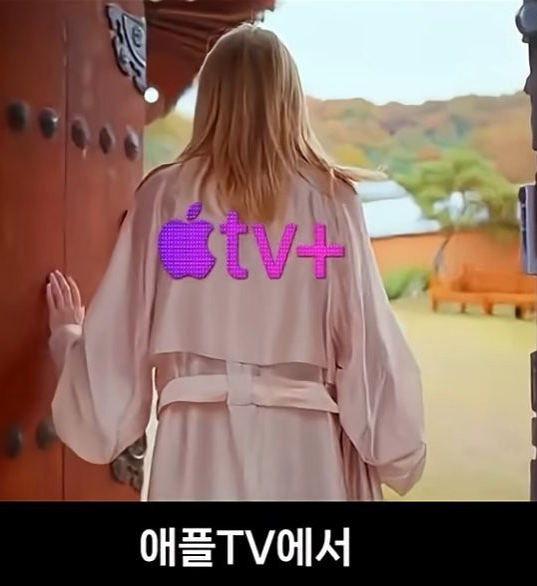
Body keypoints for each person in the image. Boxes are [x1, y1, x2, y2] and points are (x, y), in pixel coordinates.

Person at [46, 24, 426, 501]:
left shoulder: (165, 197)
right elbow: (369, 349)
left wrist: (67, 338)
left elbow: (113, 361)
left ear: (211, 98)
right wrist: (398, 449)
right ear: (288, 99)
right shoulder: (331, 202)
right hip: (305, 453)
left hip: (194, 454)